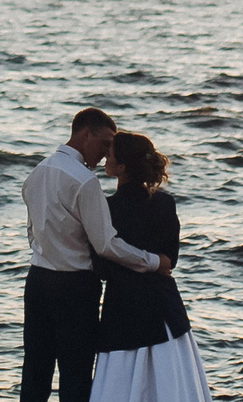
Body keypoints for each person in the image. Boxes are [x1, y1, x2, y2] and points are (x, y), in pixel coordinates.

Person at [22, 107, 170, 402]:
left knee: (35, 371)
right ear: (85, 134)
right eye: (104, 143)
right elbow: (105, 244)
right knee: (75, 374)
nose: (105, 154)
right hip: (75, 287)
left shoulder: (37, 172)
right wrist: (153, 261)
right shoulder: (85, 181)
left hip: (37, 281)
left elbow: (31, 233)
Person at [91, 131, 212, 402]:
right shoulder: (164, 203)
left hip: (123, 309)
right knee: (172, 385)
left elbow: (100, 267)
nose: (105, 158)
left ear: (122, 167)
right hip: (164, 307)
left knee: (121, 386)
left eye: (110, 155)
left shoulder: (106, 208)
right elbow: (171, 260)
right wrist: (153, 263)